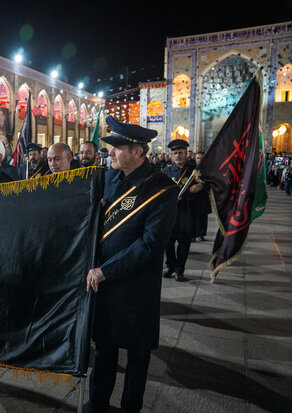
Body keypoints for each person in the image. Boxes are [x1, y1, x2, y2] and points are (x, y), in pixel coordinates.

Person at [85, 116, 178, 413]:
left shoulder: (163, 189)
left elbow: (150, 245)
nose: (110, 152)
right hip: (104, 287)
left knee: (137, 358)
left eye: (117, 147)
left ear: (138, 151)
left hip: (137, 289)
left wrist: (106, 270)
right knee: (104, 352)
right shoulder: (106, 178)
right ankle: (98, 404)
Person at [162, 139, 207, 281]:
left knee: (184, 243)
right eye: (175, 153)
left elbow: (208, 185)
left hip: (188, 213)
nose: (178, 155)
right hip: (171, 214)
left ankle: (179, 270)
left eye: (181, 152)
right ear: (171, 155)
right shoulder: (166, 171)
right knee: (168, 242)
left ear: (187, 153)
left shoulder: (195, 171)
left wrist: (201, 187)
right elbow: (160, 191)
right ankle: (170, 266)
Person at [192, 151, 211, 241]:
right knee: (193, 216)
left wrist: (202, 186)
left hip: (203, 196)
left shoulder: (208, 170)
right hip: (193, 197)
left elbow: (210, 184)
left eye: (201, 158)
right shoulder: (191, 169)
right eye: (198, 158)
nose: (199, 160)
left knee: (203, 216)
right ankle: (193, 234)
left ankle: (201, 234)